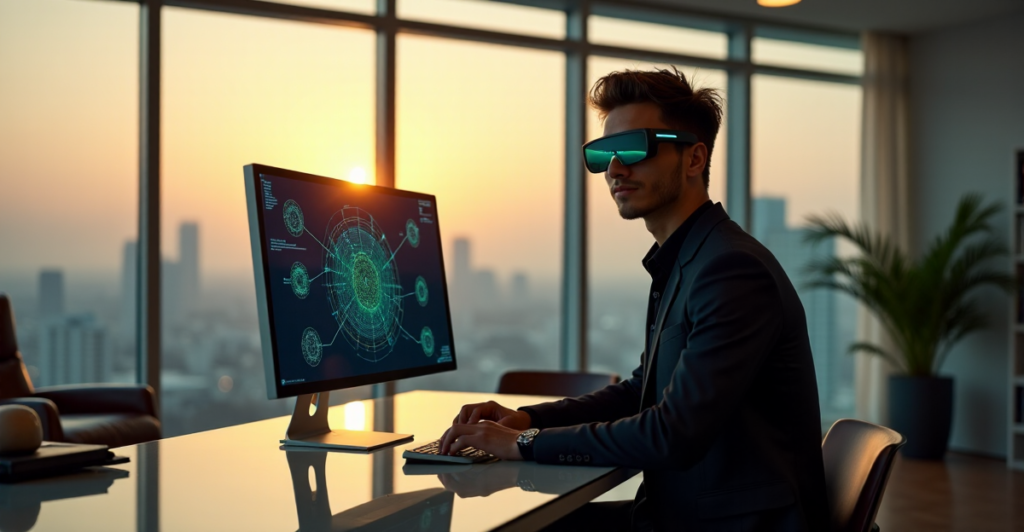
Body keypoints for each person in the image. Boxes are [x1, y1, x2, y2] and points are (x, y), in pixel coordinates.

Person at [438, 67, 828, 531]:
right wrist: (522, 419)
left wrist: (524, 444)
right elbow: (639, 394)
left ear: (694, 159)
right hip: (684, 512)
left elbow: (672, 433)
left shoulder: (731, 270)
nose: (615, 169)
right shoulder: (687, 260)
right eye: (603, 153)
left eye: (634, 149)